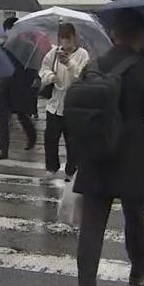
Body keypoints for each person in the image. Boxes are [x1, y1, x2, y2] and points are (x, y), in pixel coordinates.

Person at [73, 8, 144, 286]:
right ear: (140, 36)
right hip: (131, 155)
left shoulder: (95, 65)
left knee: (91, 226)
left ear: (114, 34)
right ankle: (139, 264)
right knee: (134, 214)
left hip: (96, 152)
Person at [38, 23, 89, 179]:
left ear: (74, 38)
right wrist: (49, 76)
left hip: (73, 104)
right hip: (54, 103)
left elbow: (82, 76)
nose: (65, 43)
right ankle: (51, 168)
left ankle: (71, 170)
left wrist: (68, 63)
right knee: (51, 138)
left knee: (72, 140)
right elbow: (43, 69)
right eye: (62, 39)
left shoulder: (82, 55)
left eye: (68, 39)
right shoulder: (53, 53)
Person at [0, 48, 38, 160]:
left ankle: (32, 137)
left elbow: (32, 72)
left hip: (18, 88)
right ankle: (3, 150)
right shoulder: (6, 48)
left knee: (22, 115)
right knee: (3, 120)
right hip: (5, 87)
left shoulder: (28, 53)